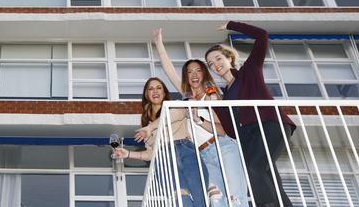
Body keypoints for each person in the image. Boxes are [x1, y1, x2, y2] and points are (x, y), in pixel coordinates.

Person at [152, 28, 248, 207]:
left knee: (235, 198)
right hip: (203, 155)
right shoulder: (186, 97)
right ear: (186, 77)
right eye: (190, 72)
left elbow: (222, 130)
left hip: (223, 147)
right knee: (216, 201)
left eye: (198, 70)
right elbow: (169, 70)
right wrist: (159, 44)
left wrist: (200, 121)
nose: (194, 74)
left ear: (204, 73)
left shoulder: (214, 96)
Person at [205, 21, 296, 207]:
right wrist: (216, 107)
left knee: (254, 169)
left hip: (270, 125)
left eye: (218, 59)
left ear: (229, 58)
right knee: (268, 177)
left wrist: (232, 25)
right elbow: (231, 131)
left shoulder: (249, 71)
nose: (215, 65)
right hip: (249, 138)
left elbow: (262, 35)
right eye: (211, 64)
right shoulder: (225, 95)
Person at [113, 77, 208, 207]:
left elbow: (178, 114)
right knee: (180, 199)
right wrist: (128, 154)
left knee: (200, 199)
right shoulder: (146, 123)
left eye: (159, 88)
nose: (155, 91)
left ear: (164, 93)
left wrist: (150, 128)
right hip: (163, 158)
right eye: (151, 89)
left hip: (187, 151)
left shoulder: (173, 105)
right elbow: (150, 153)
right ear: (147, 94)